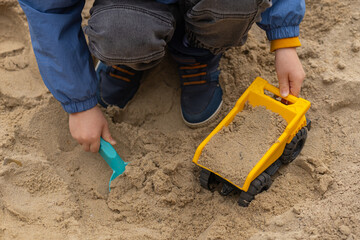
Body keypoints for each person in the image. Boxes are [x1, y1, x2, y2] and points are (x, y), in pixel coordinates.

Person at [18, 0, 306, 153]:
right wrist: (79, 102)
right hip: (133, 5)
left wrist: (284, 38)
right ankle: (131, 59)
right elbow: (47, 10)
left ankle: (197, 53)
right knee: (121, 33)